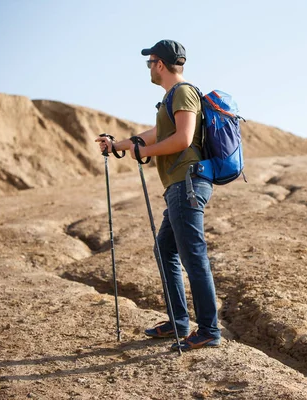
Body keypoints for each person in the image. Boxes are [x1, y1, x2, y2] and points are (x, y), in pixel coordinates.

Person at [95, 39, 221, 352]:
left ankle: (208, 330)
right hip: (179, 186)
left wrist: (145, 151)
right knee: (165, 251)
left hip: (187, 183)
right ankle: (179, 322)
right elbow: (156, 135)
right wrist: (120, 146)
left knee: (194, 257)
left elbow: (183, 138)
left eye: (150, 62)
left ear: (160, 64)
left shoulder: (182, 92)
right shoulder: (171, 97)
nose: (149, 68)